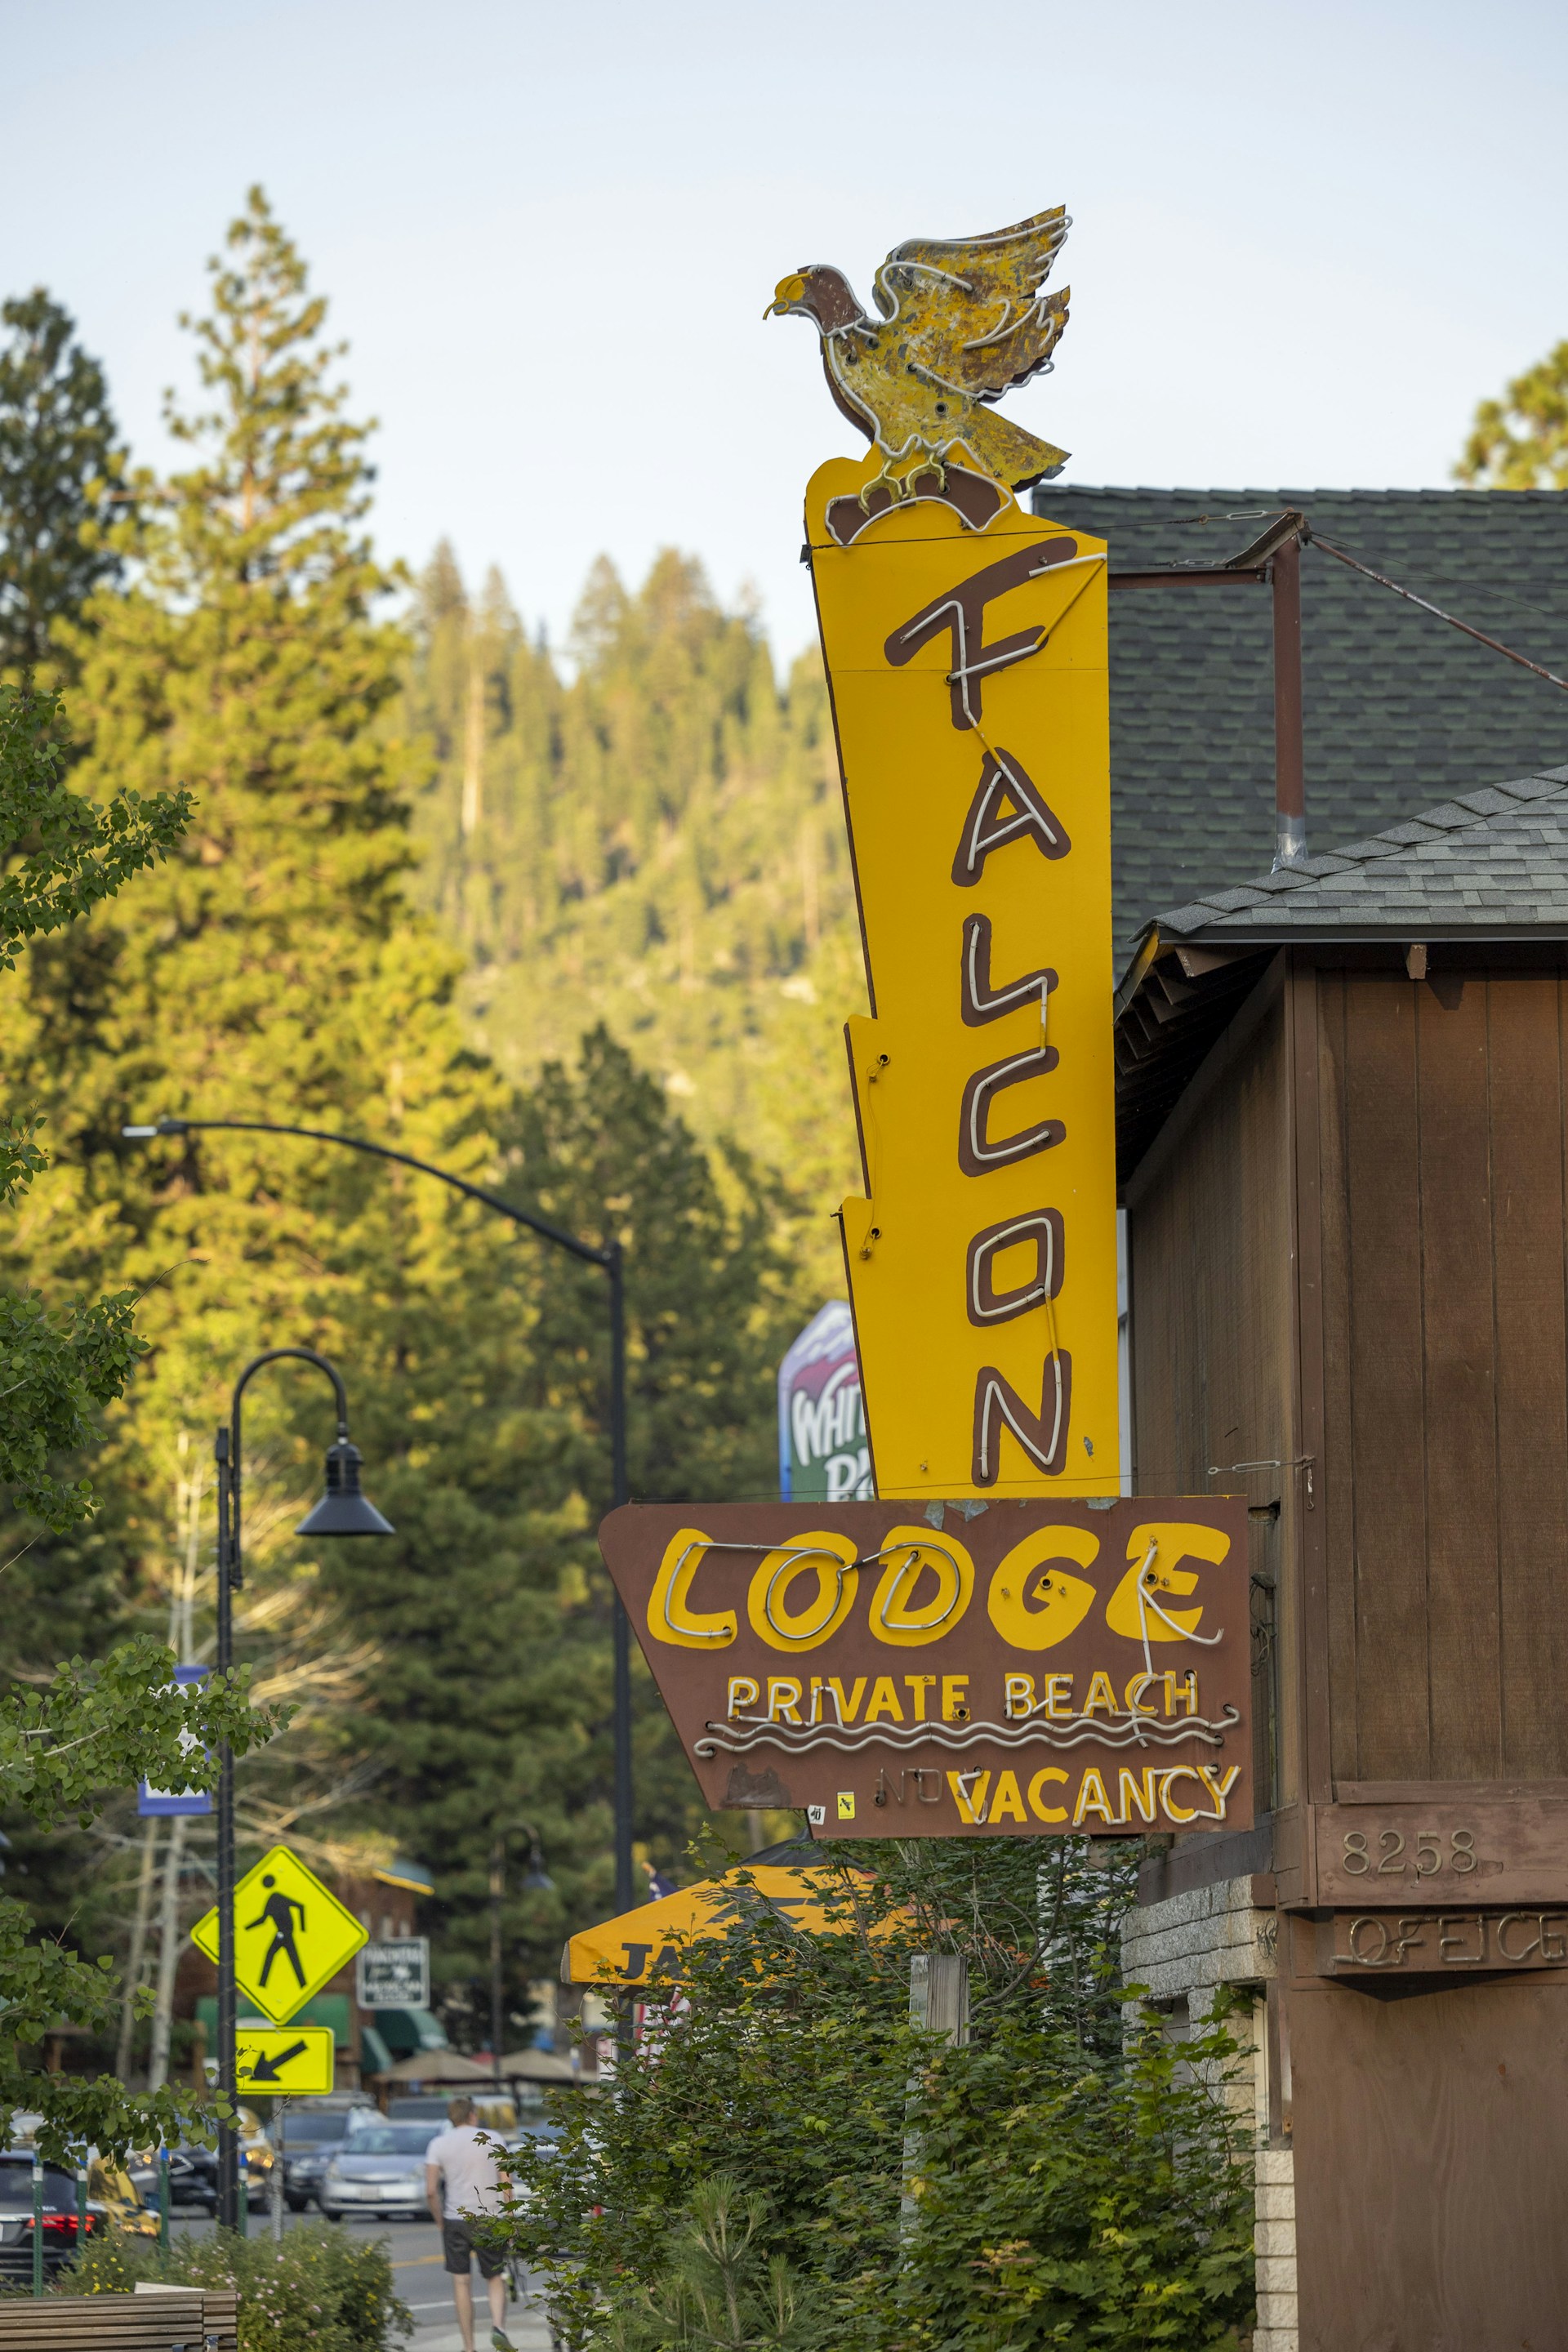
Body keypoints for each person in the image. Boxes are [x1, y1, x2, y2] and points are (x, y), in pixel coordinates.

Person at [425, 2096, 513, 2352]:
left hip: (455, 2219)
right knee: (495, 2278)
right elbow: (506, 2183)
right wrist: (510, 2220)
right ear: (473, 2115)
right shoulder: (494, 2138)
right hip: (490, 2217)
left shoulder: (438, 2144)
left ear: (451, 2118)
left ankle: (468, 2346)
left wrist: (440, 2221)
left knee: (462, 2282)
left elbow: (431, 2191)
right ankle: (498, 2327)